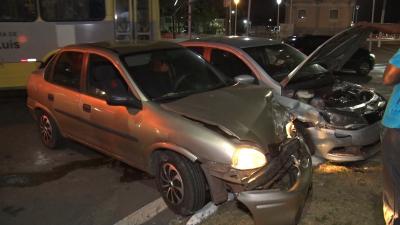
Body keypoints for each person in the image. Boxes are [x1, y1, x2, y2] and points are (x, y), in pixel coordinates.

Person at [359, 22, 400, 225]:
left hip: (397, 125)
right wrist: (370, 25)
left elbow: (388, 78)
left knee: (393, 177)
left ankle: (394, 219)